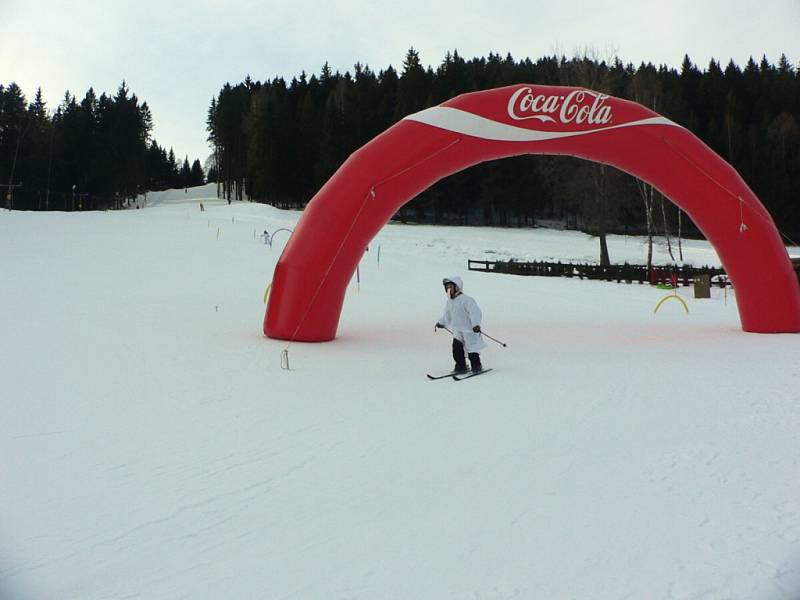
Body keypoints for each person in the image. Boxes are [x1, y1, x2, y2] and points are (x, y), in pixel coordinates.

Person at [435, 276, 486, 373]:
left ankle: (476, 365)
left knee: (472, 348)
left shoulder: (467, 300)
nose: (449, 289)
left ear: (457, 287)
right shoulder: (450, 302)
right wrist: (441, 322)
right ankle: (461, 366)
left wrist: (476, 324)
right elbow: (447, 315)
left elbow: (475, 312)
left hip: (469, 330)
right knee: (456, 348)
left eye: (450, 287)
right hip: (457, 330)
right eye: (447, 288)